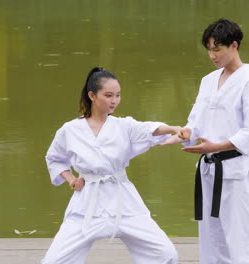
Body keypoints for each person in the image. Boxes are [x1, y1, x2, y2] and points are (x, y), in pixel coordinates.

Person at [41, 67, 179, 264]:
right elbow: (54, 157)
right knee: (54, 261)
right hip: (87, 202)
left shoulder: (124, 126)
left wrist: (173, 128)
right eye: (108, 95)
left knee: (165, 254)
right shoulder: (70, 130)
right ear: (92, 95)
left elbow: (148, 129)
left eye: (118, 95)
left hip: (123, 200)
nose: (114, 100)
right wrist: (71, 179)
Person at [169, 18, 249, 263]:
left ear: (233, 46)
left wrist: (216, 146)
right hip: (208, 170)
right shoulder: (208, 81)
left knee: (245, 236)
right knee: (212, 238)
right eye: (209, 50)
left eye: (217, 49)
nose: (212, 55)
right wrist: (184, 134)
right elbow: (195, 122)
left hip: (236, 169)